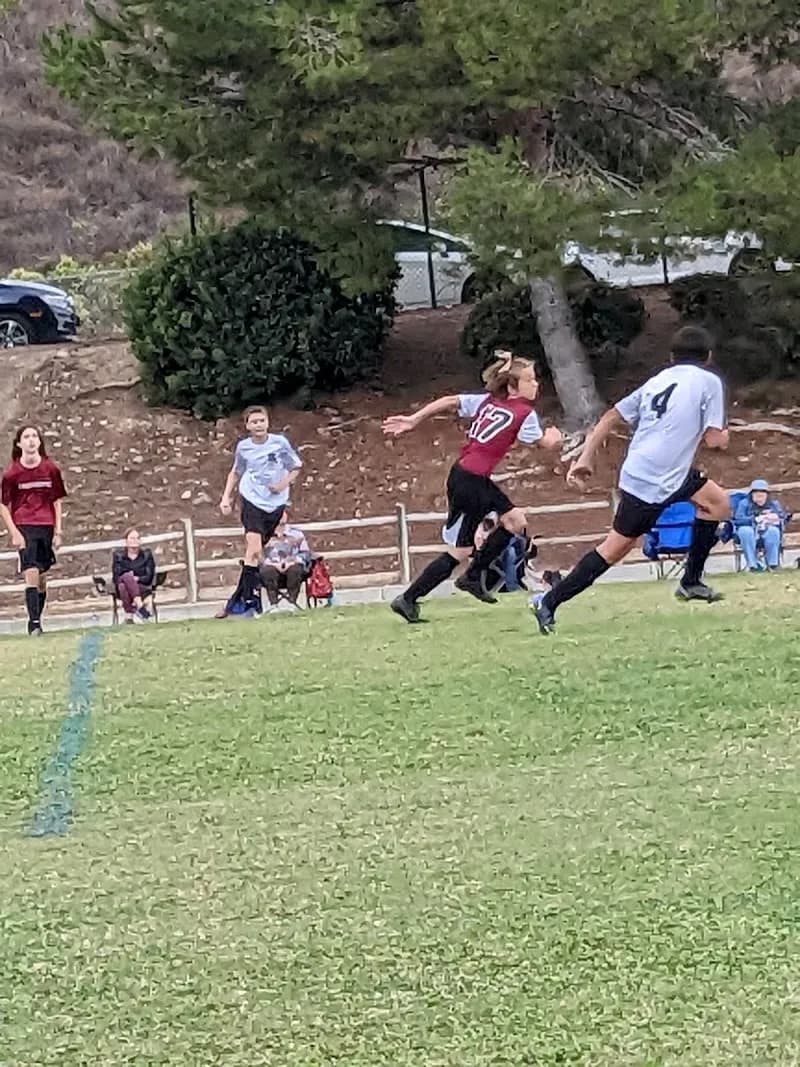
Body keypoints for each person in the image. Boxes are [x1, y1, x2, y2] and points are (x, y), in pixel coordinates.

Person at [534, 324, 731, 635]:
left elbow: (612, 415)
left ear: (671, 357)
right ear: (708, 357)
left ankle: (690, 581)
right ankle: (548, 601)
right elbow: (714, 440)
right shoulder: (709, 381)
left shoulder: (658, 380)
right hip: (654, 482)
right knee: (613, 550)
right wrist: (724, 435)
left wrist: (585, 457)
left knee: (717, 503)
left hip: (653, 470)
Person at [382, 351, 562, 623]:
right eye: (530, 380)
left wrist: (414, 419)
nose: (536, 384)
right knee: (461, 550)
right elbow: (545, 444)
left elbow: (450, 400)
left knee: (515, 521)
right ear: (513, 386)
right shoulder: (524, 413)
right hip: (471, 480)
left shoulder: (488, 401)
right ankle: (411, 597)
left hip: (467, 475)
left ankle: (472, 576)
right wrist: (556, 438)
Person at [219, 406, 302, 616]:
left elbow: (296, 467)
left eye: (261, 420)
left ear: (267, 422)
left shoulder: (279, 443)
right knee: (254, 546)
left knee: (252, 556)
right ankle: (249, 601)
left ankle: (240, 603)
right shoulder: (243, 448)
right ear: (247, 426)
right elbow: (235, 472)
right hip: (251, 499)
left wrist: (282, 484)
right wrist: (226, 497)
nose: (258, 425)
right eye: (253, 422)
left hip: (274, 503)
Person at [0, 425, 67, 635]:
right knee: (30, 571)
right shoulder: (12, 473)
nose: (31, 440)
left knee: (42, 578)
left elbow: (57, 501)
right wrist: (14, 532)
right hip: (24, 525)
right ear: (19, 443)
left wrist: (58, 532)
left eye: (34, 436)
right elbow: (3, 504)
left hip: (45, 526)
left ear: (39, 442)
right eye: (26, 437)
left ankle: (38, 615)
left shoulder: (51, 469)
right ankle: (34, 623)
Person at [258, 514, 311, 612]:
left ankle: (292, 603)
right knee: (267, 571)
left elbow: (306, 553)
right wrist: (272, 564)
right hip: (271, 566)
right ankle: (273, 605)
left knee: (296, 569)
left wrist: (293, 561)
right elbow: (258, 554)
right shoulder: (263, 535)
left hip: (292, 565)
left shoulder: (297, 533)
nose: (281, 515)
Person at [734, 478, 787, 572]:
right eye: (756, 493)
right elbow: (738, 520)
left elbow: (782, 517)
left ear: (767, 495)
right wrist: (754, 519)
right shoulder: (744, 504)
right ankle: (753, 565)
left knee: (773, 531)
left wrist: (772, 518)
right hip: (750, 533)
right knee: (745, 531)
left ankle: (773, 564)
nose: (760, 496)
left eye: (763, 493)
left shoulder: (774, 504)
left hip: (766, 531)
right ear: (751, 494)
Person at [112, 528, 156, 623]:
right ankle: (140, 606)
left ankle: (129, 616)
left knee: (124, 585)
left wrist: (136, 579)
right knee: (125, 580)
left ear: (140, 541)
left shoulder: (146, 555)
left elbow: (149, 577)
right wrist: (129, 578)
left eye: (137, 538)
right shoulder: (118, 556)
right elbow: (116, 577)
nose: (134, 541)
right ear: (126, 541)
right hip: (121, 589)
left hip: (142, 587)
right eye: (132, 538)